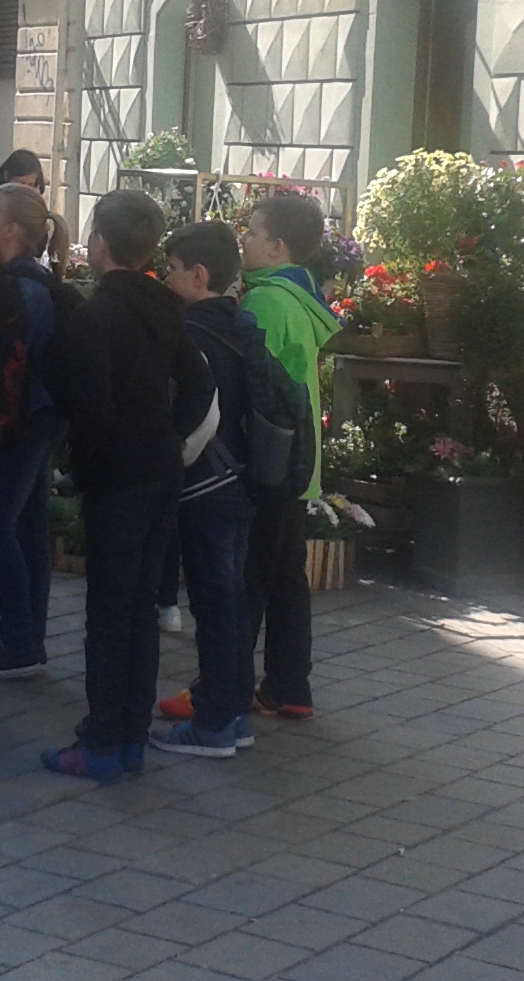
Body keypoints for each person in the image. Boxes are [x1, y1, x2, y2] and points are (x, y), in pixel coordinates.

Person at [46, 188, 217, 783]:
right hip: (160, 469)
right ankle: (130, 738)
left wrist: (83, 466)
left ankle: (100, 740)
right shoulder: (165, 307)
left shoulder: (95, 316)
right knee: (141, 609)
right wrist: (169, 435)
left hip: (117, 476)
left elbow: (92, 408)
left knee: (107, 612)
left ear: (99, 244)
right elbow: (199, 384)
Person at [215, 191, 337, 722]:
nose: (243, 239)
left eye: (253, 231)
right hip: (297, 463)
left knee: (247, 578)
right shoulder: (299, 296)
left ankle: (222, 689)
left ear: (277, 246)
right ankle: (288, 686)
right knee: (286, 577)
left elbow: (249, 385)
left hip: (269, 463)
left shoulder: (265, 302)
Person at [151, 220, 260, 758]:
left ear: (198, 274)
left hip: (205, 484)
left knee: (213, 605)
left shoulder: (191, 333)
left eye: (172, 270)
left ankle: (213, 723)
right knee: (231, 601)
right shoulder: (240, 323)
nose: (167, 279)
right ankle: (234, 713)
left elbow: (199, 416)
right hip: (242, 476)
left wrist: (172, 467)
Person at [0, 182, 76, 681]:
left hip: (27, 417)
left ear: (12, 230)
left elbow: (13, 364)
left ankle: (18, 640)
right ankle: (29, 638)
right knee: (28, 523)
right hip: (47, 413)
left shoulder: (19, 287)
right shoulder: (39, 280)